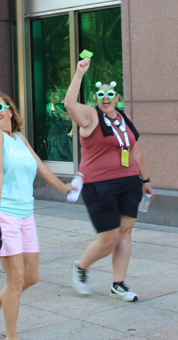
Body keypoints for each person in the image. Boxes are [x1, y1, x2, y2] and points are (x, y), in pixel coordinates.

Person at [0, 92, 75, 340]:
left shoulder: (18, 138)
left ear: (10, 110)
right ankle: (12, 336)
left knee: (31, 276)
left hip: (25, 213)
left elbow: (40, 165)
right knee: (17, 279)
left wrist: (63, 187)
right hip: (1, 214)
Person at [64, 58, 154, 301]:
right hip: (99, 185)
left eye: (110, 94)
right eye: (101, 94)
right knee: (109, 238)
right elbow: (70, 104)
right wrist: (79, 73)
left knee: (125, 231)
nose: (106, 98)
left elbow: (135, 151)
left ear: (117, 97)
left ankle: (118, 284)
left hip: (129, 184)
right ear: (97, 97)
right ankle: (80, 267)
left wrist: (145, 180)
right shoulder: (90, 116)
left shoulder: (123, 119)